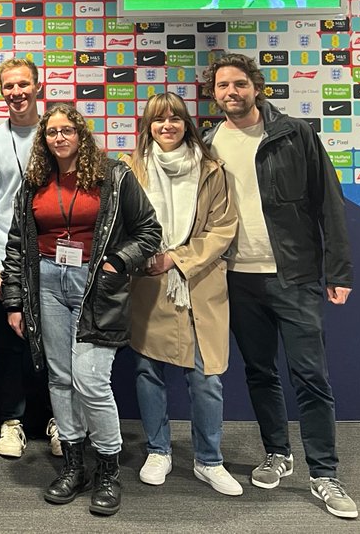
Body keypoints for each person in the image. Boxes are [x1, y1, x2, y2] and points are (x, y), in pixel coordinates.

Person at [201, 53, 357, 519]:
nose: (232, 92)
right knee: (260, 372)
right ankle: (277, 454)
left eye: (240, 84)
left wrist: (340, 271)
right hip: (237, 278)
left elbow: (328, 202)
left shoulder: (294, 134)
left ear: (257, 87)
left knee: (311, 377)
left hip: (295, 275)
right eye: (223, 86)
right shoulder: (209, 143)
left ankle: (325, 474)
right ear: (215, 94)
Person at [1, 103, 161, 516]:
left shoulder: (114, 175)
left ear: (80, 133)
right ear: (44, 138)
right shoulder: (35, 180)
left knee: (90, 380)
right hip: (47, 283)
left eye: (66, 130)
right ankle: (74, 466)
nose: (58, 138)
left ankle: (108, 470)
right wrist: (15, 301)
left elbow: (149, 232)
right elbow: (18, 244)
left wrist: (115, 263)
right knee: (59, 378)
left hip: (98, 285)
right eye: (51, 132)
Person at [123, 93, 241, 495]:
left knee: (206, 378)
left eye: (174, 118)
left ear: (187, 124)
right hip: (148, 284)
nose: (167, 126)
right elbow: (121, 225)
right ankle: (158, 450)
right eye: (158, 120)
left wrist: (176, 258)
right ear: (148, 127)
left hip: (198, 282)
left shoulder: (212, 169)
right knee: (147, 371)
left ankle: (209, 459)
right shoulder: (131, 169)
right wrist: (144, 257)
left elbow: (223, 229)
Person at [0, 57, 58, 457]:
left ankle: (61, 421)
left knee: (59, 344)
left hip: (58, 258)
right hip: (10, 262)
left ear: (38, 86)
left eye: (23, 84)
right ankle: (10, 421)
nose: (16, 92)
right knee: (10, 344)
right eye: (8, 86)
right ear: (1, 91)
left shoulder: (59, 135)